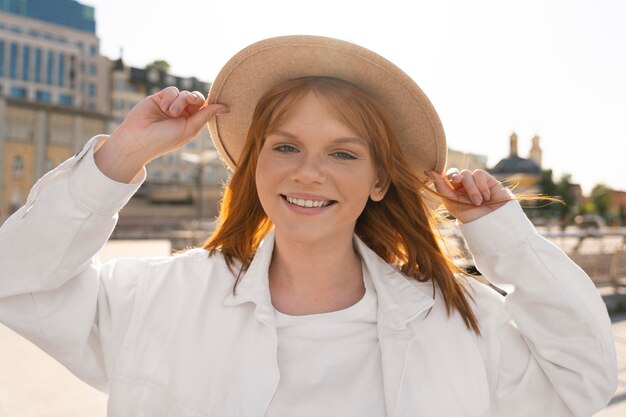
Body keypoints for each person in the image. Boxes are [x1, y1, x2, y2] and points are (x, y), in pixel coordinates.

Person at [0, 35, 617, 416]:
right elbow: (18, 281)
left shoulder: (460, 319)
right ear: (254, 166)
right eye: (286, 147)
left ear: (379, 181)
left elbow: (582, 381)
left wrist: (504, 235)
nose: (309, 173)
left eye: (344, 153)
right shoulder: (156, 298)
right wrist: (119, 156)